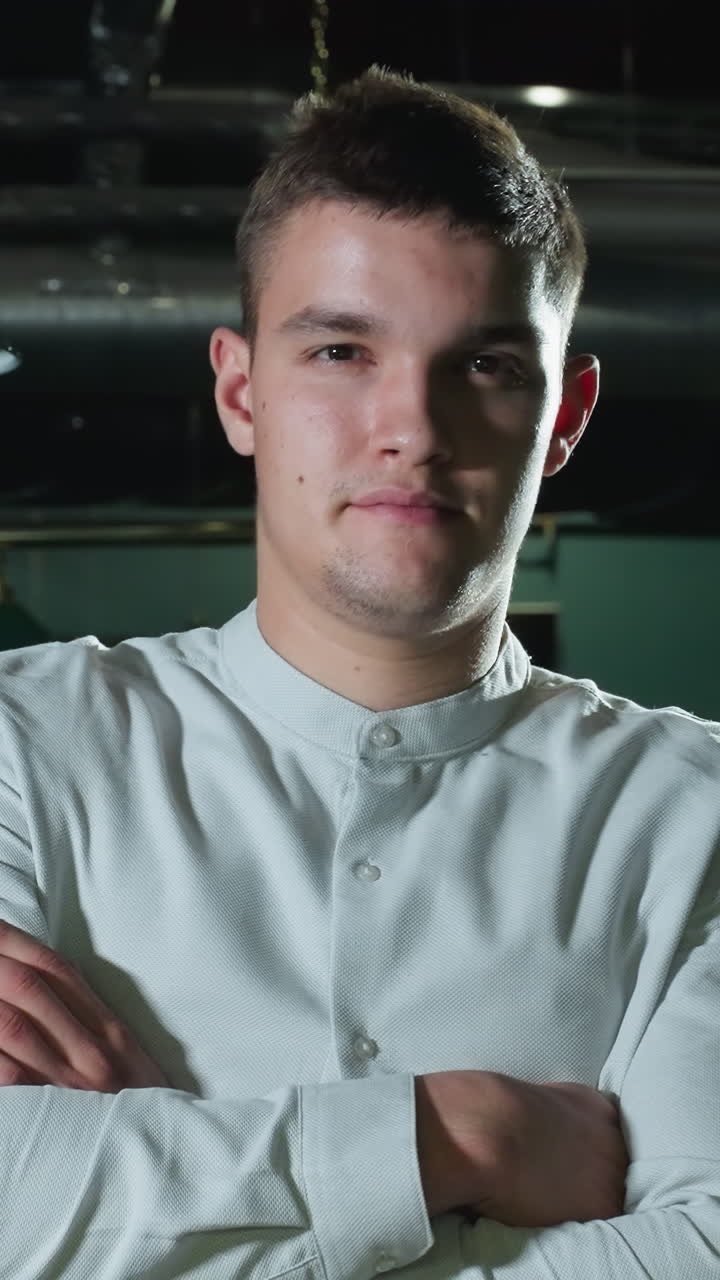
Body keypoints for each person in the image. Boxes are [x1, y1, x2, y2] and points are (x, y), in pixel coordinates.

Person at [0, 65, 717, 1278]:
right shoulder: (25, 744)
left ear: (566, 413)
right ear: (240, 389)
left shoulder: (698, 813)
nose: (413, 426)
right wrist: (456, 1137)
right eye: (341, 348)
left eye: (485, 363)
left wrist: (145, 1207)